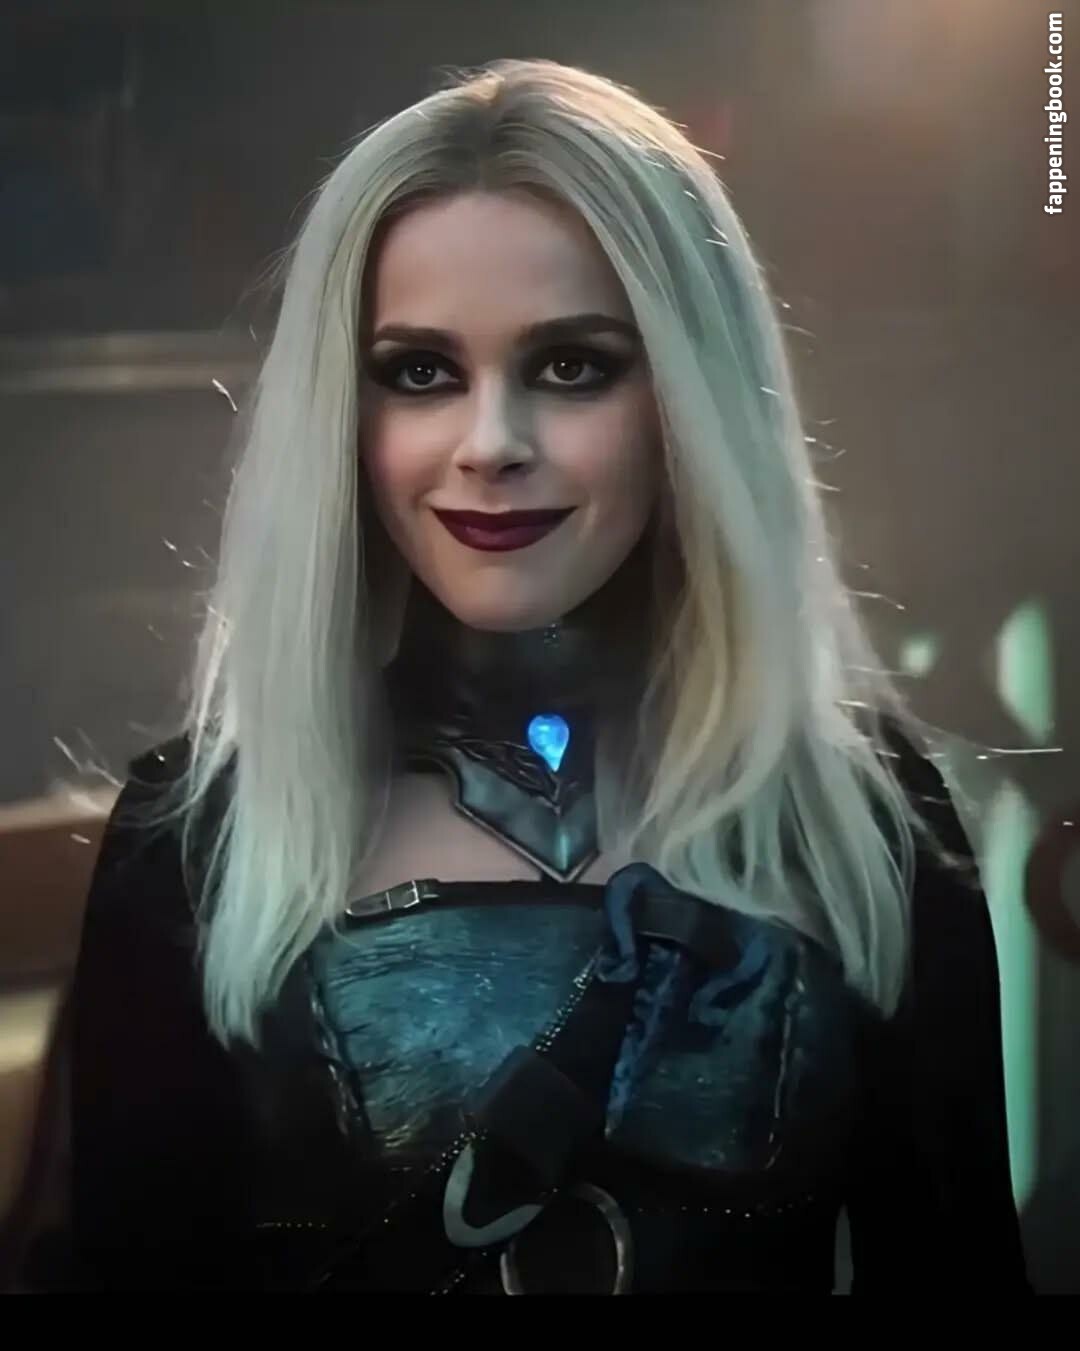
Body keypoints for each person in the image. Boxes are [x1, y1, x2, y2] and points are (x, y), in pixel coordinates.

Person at [33, 58, 1030, 1293]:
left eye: (571, 366)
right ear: (345, 415)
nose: (491, 443)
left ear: (686, 398)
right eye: (421, 372)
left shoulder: (865, 817)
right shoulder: (194, 843)